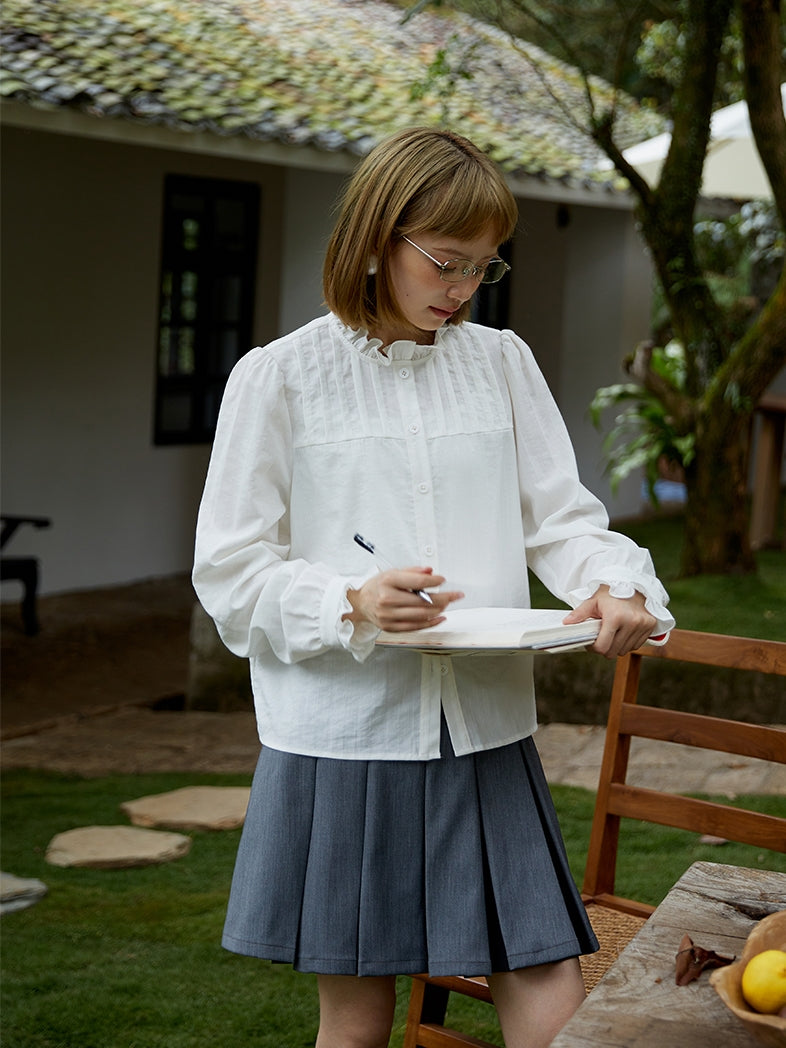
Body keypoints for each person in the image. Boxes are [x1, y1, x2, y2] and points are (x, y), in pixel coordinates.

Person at [193, 126, 674, 1048]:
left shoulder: (503, 363)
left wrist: (614, 584)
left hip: (484, 730)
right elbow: (231, 573)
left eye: (482, 269)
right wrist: (350, 603)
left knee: (547, 977)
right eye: (446, 263)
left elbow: (559, 520)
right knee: (359, 1015)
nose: (460, 290)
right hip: (345, 737)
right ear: (378, 238)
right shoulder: (279, 378)